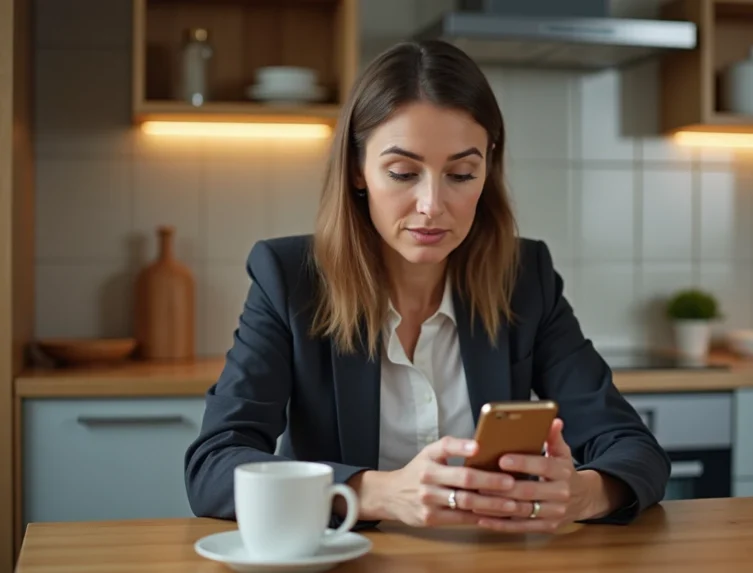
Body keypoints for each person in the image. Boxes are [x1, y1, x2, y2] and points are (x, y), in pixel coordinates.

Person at [184, 39, 670, 534]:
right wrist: (378, 493)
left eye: (461, 174)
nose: (431, 204)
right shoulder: (289, 279)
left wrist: (580, 494)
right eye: (402, 172)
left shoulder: (526, 278)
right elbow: (214, 467)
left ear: (487, 171)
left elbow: (635, 450)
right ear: (358, 170)